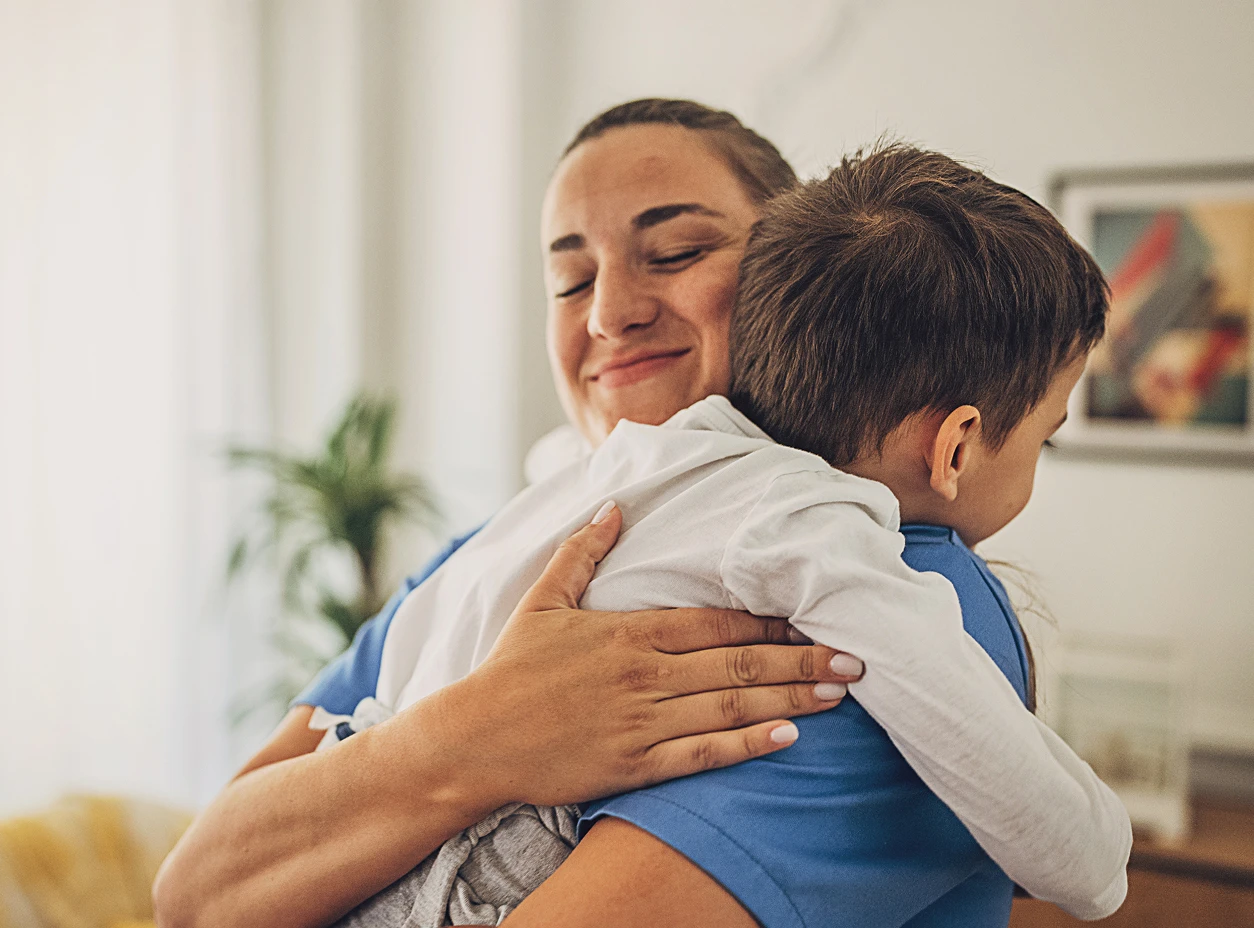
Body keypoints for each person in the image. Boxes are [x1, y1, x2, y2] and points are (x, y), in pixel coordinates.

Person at [150, 100, 1100, 928]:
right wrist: (474, 736)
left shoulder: (881, 591)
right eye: (569, 277)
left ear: (794, 277)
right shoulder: (496, 555)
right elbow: (196, 894)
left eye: (677, 251)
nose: (608, 312)